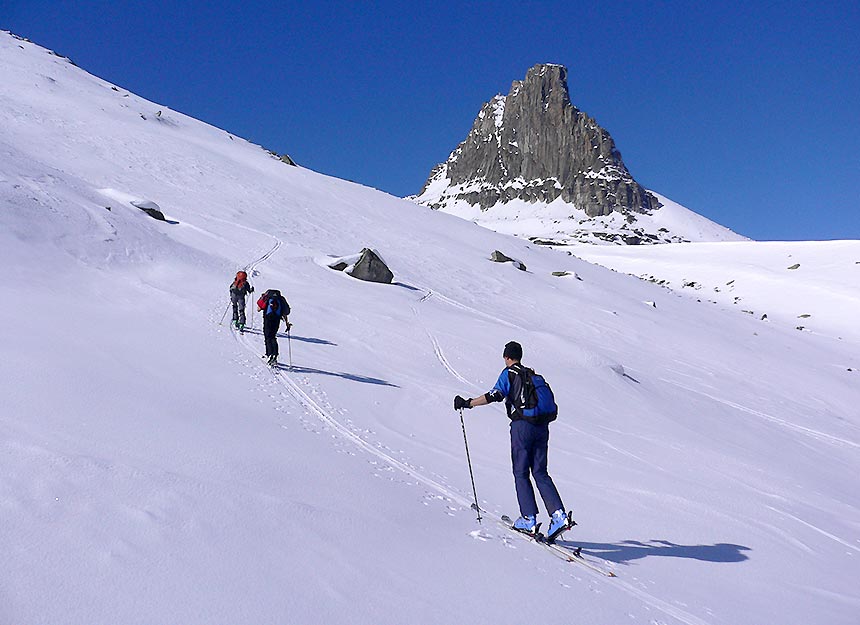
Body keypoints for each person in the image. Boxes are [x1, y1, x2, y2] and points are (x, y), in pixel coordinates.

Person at [453, 341, 574, 541]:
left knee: (520, 471)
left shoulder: (509, 373)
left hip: (522, 428)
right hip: (542, 427)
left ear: (507, 357)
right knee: (540, 472)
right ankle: (558, 516)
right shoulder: (535, 376)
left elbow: (494, 395)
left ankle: (528, 519)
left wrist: (468, 403)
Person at [257, 289, 291, 366]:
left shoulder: (267, 298)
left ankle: (269, 354)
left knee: (267, 336)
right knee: (273, 336)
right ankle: (274, 355)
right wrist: (287, 323)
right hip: (277, 319)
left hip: (267, 318)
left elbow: (259, 309)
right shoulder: (280, 299)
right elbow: (285, 313)